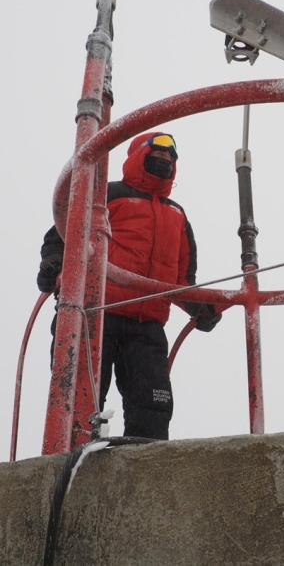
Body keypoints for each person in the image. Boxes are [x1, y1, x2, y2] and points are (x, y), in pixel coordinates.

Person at [37, 132, 221, 440]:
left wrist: (200, 308)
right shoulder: (106, 195)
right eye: (157, 155)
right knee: (80, 403)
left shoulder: (177, 215)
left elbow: (181, 281)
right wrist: (54, 265)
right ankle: (72, 470)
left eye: (170, 158)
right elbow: (62, 235)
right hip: (95, 314)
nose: (165, 161)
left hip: (146, 328)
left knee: (153, 407)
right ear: (139, 155)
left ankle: (143, 476)